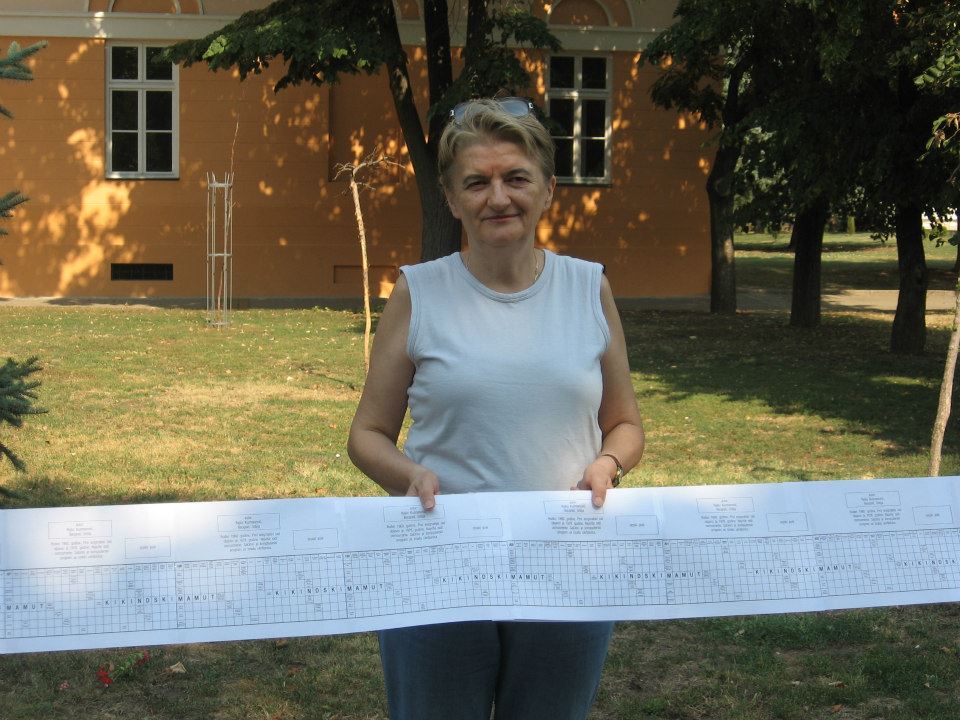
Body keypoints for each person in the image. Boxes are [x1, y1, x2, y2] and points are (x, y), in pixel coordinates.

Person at [348, 97, 645, 720]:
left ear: (548, 189)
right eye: (476, 183)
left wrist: (608, 465)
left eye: (516, 178)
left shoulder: (588, 287)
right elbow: (367, 434)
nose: (498, 198)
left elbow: (624, 424)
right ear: (451, 199)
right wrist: (409, 475)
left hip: (565, 563)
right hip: (439, 561)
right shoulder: (418, 291)